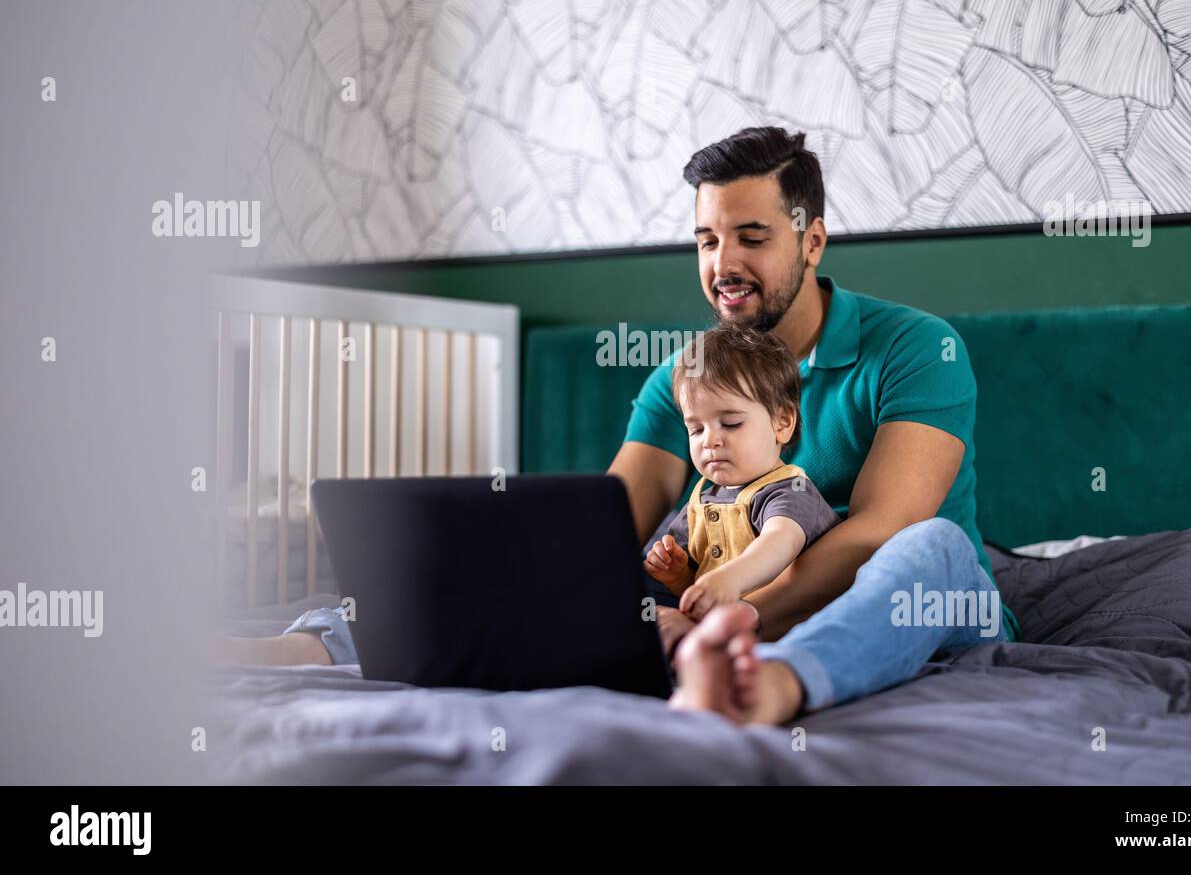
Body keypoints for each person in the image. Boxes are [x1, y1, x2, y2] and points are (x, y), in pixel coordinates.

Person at [215, 126, 1019, 727]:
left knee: (931, 547)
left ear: (812, 240)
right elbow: (602, 530)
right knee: (551, 562)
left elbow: (880, 527)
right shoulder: (687, 377)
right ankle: (316, 646)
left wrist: (733, 614)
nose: (723, 263)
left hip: (913, 600)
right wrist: (634, 604)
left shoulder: (917, 347)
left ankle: (766, 687)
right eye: (707, 238)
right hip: (709, 612)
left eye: (752, 237)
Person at [640, 323, 840, 629]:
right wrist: (678, 576)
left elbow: (779, 542)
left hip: (786, 623)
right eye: (696, 429)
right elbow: (702, 591)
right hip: (719, 627)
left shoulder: (789, 490)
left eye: (731, 423)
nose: (710, 440)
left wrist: (729, 579)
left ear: (782, 422)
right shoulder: (702, 499)